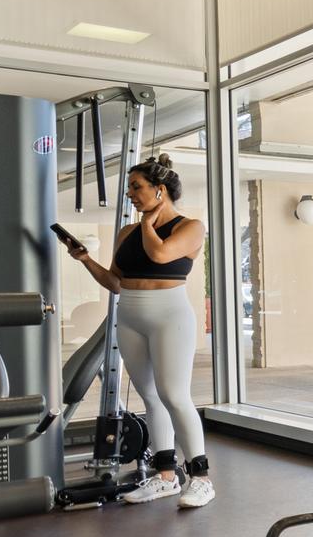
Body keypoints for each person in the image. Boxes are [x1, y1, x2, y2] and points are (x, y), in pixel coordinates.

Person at [66, 152, 213, 509]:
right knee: (150, 395)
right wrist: (85, 259)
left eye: (136, 187)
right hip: (130, 315)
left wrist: (149, 220)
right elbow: (116, 282)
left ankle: (201, 478)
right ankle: (165, 477)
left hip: (170, 316)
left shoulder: (189, 227)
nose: (130, 194)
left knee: (174, 394)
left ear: (160, 190)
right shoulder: (127, 232)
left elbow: (161, 256)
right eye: (129, 187)